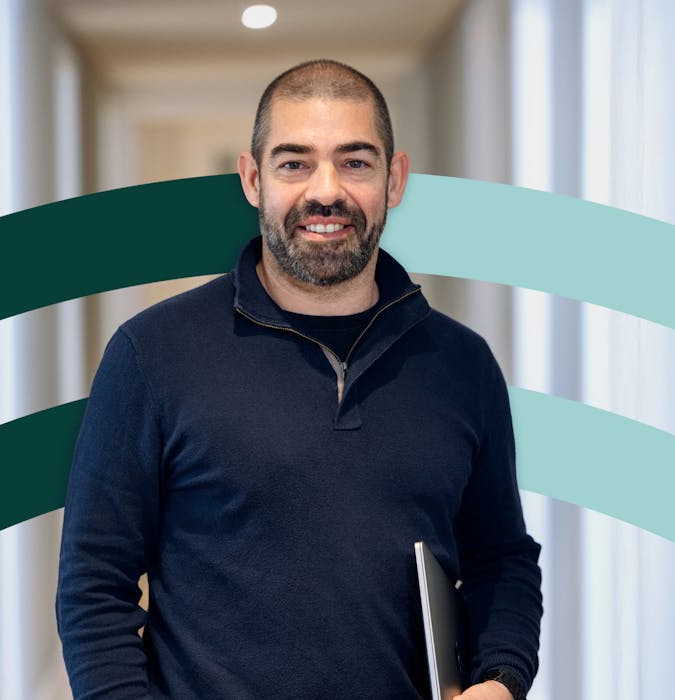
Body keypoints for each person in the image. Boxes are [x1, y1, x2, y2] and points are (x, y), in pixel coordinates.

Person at [56, 59, 543, 700]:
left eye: (356, 162)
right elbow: (95, 582)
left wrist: (502, 679)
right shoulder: (152, 355)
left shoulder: (462, 365)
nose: (326, 191)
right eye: (294, 163)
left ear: (394, 180)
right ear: (252, 178)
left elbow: (500, 559)